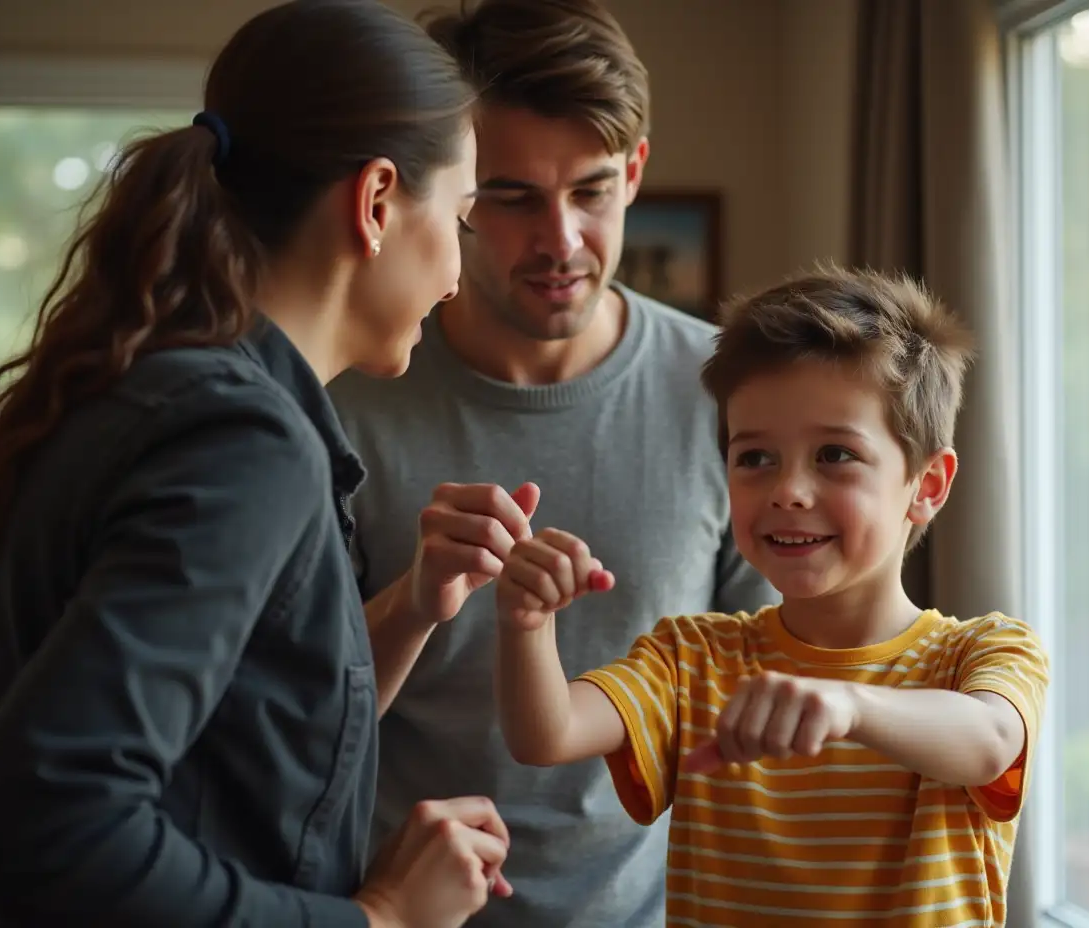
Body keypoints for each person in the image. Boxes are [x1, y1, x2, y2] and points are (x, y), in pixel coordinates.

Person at [0, 1, 515, 926]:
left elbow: (240, 735)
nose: (459, 270)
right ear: (377, 203)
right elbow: (45, 827)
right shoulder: (241, 441)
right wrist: (379, 920)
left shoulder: (138, 387)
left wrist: (413, 606)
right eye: (459, 215)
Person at [326, 1, 777, 925]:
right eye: (513, 196)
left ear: (637, 171)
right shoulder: (343, 404)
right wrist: (417, 596)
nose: (563, 241)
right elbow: (291, 722)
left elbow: (768, 685)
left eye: (592, 190)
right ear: (452, 193)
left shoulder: (737, 398)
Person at [493, 266, 1052, 927]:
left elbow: (989, 741)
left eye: (835, 455)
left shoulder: (983, 652)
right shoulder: (691, 659)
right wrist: (525, 623)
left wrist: (849, 703)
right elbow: (546, 734)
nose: (788, 490)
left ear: (927, 485)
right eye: (755, 458)